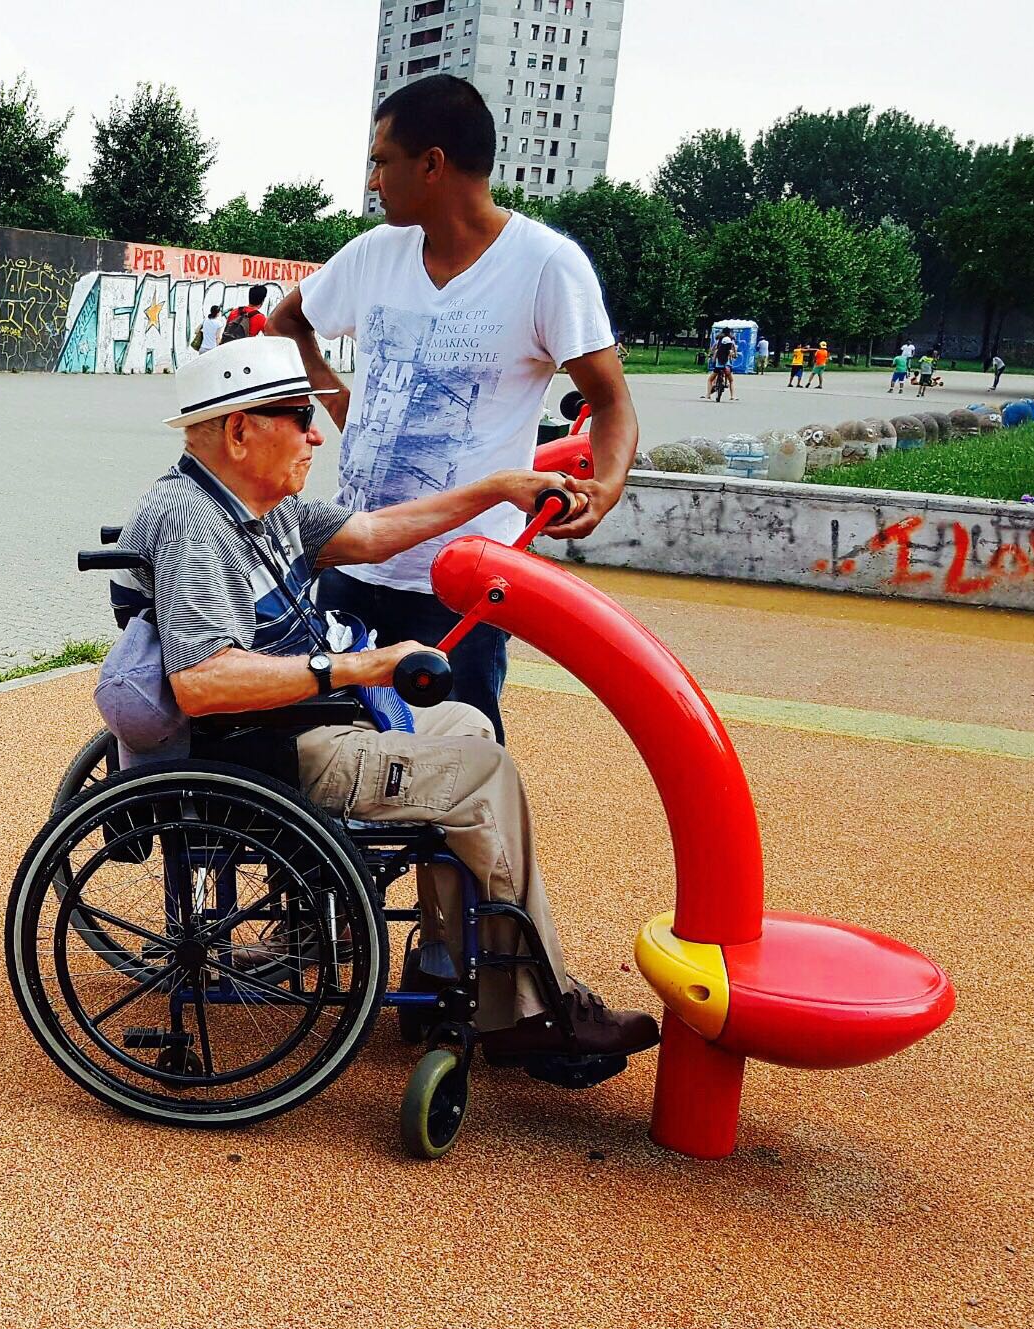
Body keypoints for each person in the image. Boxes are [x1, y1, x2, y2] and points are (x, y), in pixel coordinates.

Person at [111, 336, 659, 1061]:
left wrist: (496, 487)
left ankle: (449, 965)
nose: (316, 432)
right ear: (240, 432)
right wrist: (360, 666)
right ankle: (529, 1007)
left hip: (297, 724)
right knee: (480, 770)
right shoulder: (196, 522)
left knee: (467, 723)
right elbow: (202, 682)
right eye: (300, 415)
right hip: (267, 751)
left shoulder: (259, 505)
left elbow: (370, 534)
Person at [267, 74, 637, 744]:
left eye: (382, 161)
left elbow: (611, 402)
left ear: (432, 164)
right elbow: (288, 319)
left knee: (454, 777)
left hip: (457, 578)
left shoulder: (546, 267)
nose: (373, 180)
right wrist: (350, 413)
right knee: (330, 757)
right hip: (350, 560)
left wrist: (603, 490)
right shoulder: (374, 255)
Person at [704, 329, 736, 399]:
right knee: (731, 380)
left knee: (710, 379)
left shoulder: (718, 345)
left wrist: (712, 357)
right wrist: (734, 355)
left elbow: (713, 355)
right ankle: (732, 396)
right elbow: (733, 354)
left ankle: (708, 394)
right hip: (727, 367)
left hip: (718, 367)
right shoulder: (730, 347)